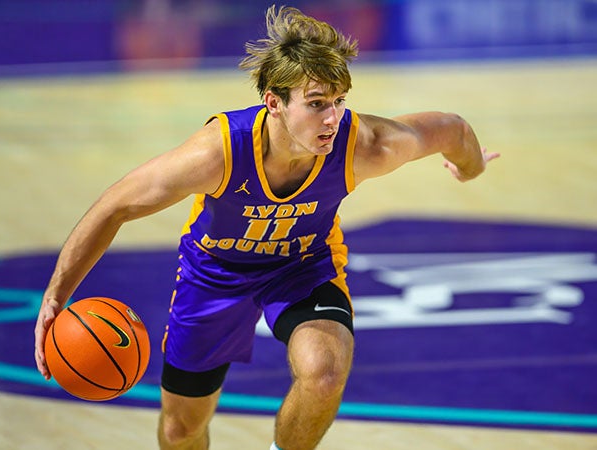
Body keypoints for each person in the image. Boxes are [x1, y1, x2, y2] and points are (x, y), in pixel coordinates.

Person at [34, 5, 500, 450]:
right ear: (274, 102)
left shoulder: (364, 146)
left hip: (302, 267)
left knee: (324, 372)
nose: (333, 117)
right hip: (214, 274)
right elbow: (114, 206)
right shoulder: (218, 153)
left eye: (339, 102)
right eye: (317, 103)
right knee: (180, 431)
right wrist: (56, 295)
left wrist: (471, 167)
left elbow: (451, 130)